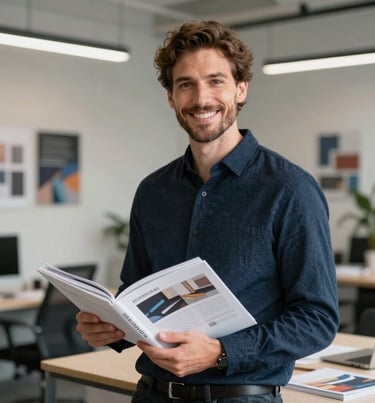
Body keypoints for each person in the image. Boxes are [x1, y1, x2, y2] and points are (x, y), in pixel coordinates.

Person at [76, 20, 339, 402]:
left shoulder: (290, 189)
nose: (201, 98)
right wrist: (112, 328)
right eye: (186, 84)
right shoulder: (153, 191)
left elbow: (317, 320)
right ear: (171, 97)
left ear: (241, 89)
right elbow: (134, 298)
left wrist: (221, 352)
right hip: (152, 394)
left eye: (216, 81)